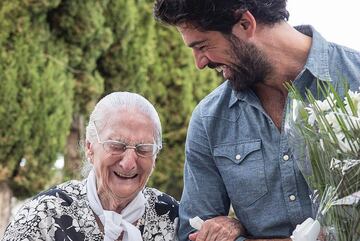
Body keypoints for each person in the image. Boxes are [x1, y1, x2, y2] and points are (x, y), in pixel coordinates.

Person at [153, 0, 360, 240]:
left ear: (245, 23)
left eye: (202, 46)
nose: (199, 63)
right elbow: (194, 233)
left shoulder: (355, 79)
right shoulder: (210, 119)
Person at [2, 92, 179, 241]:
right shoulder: (44, 216)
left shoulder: (172, 218)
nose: (129, 163)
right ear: (90, 148)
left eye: (144, 149)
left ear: (155, 157)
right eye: (116, 145)